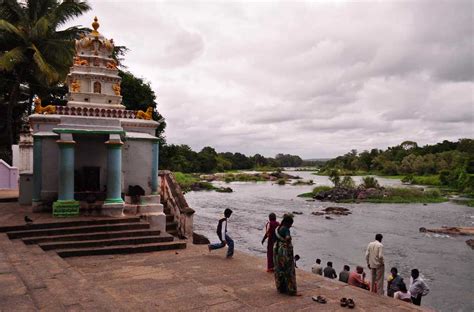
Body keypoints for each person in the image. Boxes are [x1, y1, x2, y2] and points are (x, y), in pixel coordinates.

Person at [273, 213, 298, 296]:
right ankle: (291, 290)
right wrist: (289, 239)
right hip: (285, 252)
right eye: (291, 224)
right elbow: (287, 238)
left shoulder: (279, 228)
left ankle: (281, 288)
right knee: (288, 270)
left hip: (277, 250)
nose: (291, 226)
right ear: (288, 223)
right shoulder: (286, 229)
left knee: (280, 269)